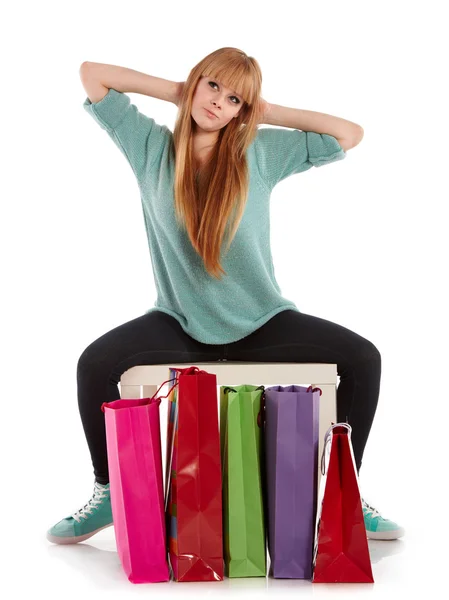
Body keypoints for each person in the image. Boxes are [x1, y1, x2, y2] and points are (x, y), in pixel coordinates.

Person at [46, 47, 404, 546]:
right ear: (196, 82)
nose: (219, 102)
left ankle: (346, 490)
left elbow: (349, 134)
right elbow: (93, 75)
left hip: (262, 322)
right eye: (213, 86)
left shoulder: (259, 151)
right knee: (94, 364)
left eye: (234, 98)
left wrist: (263, 111)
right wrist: (180, 91)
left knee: (363, 358)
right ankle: (108, 491)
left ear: (244, 110)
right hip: (180, 321)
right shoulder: (150, 146)